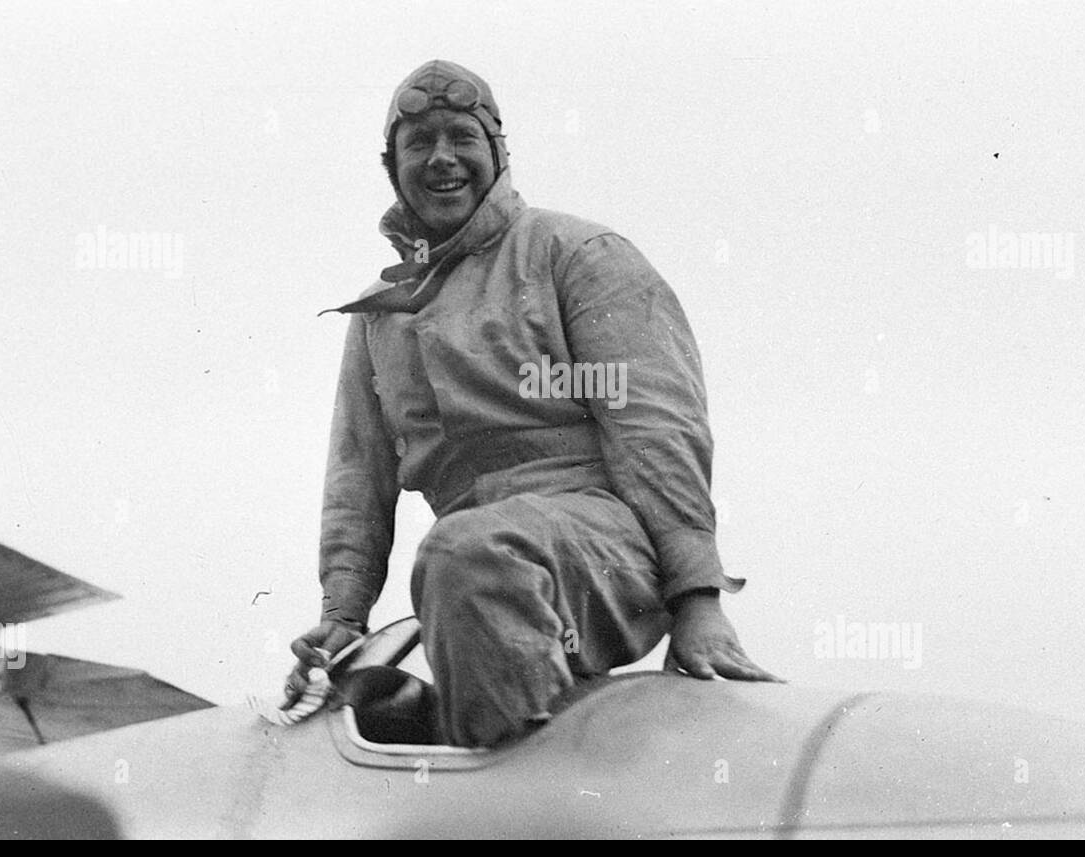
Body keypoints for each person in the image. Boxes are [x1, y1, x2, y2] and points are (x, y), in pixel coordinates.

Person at [284, 60, 781, 747]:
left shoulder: (576, 255)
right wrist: (343, 614)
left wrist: (698, 599)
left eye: (461, 136)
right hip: (471, 574)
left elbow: (656, 430)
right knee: (462, 571)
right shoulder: (381, 314)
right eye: (418, 143)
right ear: (390, 165)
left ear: (498, 151)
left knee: (466, 555)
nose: (441, 158)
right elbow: (356, 473)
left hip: (607, 546)